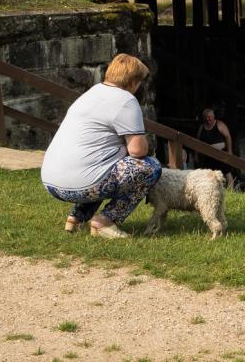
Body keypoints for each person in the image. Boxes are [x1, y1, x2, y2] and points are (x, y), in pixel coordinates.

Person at [41, 53, 161, 239]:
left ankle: (76, 218)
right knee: (150, 167)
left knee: (101, 164)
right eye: (140, 82)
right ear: (133, 82)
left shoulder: (92, 92)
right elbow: (138, 150)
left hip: (51, 183)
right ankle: (105, 221)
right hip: (81, 186)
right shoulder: (126, 100)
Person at [194, 107, 234, 181]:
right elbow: (197, 141)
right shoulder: (202, 127)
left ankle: (231, 188)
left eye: (210, 117)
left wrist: (229, 151)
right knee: (208, 174)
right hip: (207, 156)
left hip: (220, 154)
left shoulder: (220, 124)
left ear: (213, 116)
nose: (208, 119)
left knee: (227, 172)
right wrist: (196, 155)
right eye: (206, 117)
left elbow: (228, 137)